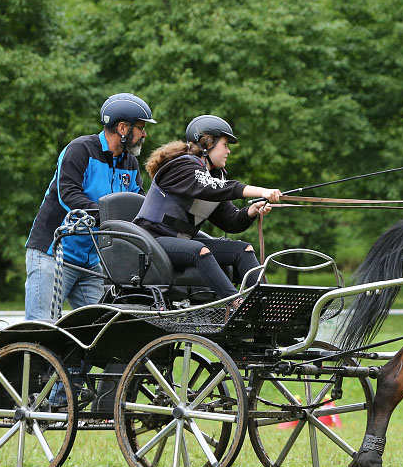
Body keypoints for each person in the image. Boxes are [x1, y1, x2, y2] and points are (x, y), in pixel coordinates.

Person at [25, 93, 155, 320]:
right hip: (53, 254)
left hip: (90, 263)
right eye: (141, 128)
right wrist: (110, 217)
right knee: (41, 329)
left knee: (101, 332)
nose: (144, 134)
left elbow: (137, 205)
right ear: (123, 128)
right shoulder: (81, 150)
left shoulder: (130, 163)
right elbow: (68, 195)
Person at [133, 115, 280, 302]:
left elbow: (231, 221)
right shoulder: (182, 166)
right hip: (153, 240)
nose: (228, 151)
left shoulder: (214, 177)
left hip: (183, 241)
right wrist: (261, 190)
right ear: (207, 143)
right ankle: (236, 304)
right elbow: (209, 187)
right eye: (225, 145)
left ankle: (270, 304)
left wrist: (252, 211)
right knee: (200, 250)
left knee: (243, 250)